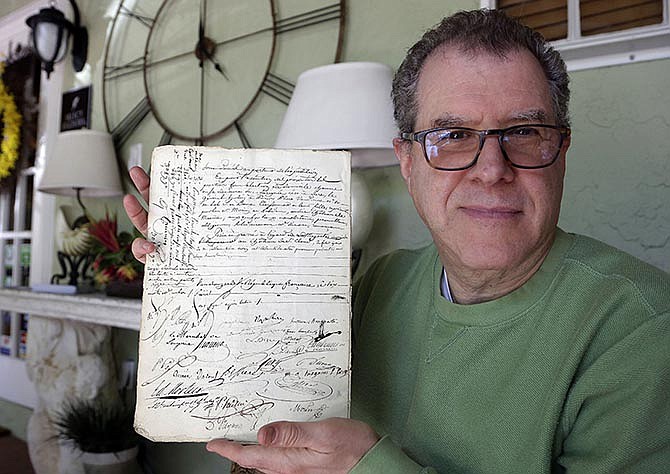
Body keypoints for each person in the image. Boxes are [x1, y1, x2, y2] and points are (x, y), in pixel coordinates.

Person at [124, 9, 670, 473]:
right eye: (453, 136)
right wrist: (205, 280)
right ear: (407, 162)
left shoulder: (641, 331)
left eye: (524, 132)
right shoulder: (379, 283)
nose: (491, 170)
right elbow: (267, 406)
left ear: (563, 150)